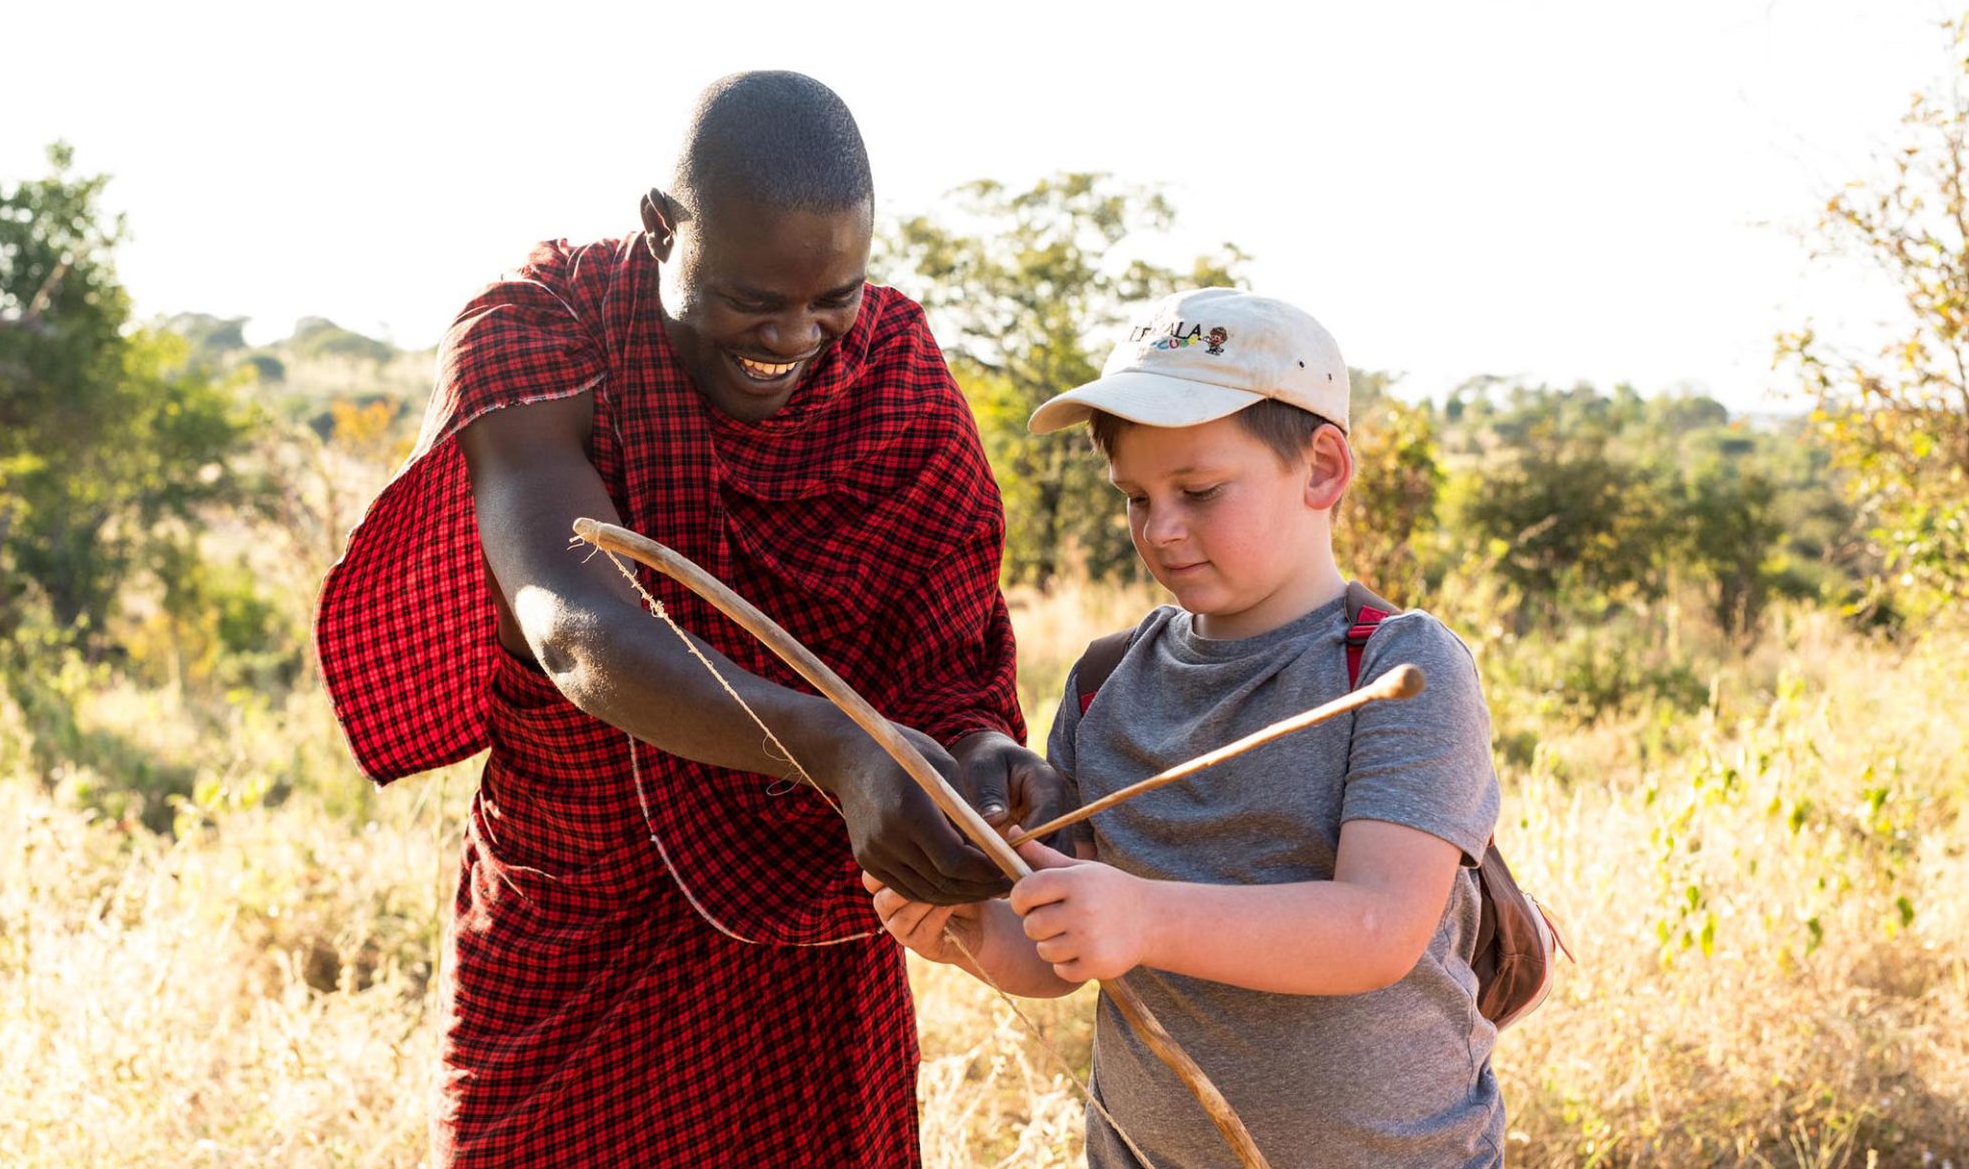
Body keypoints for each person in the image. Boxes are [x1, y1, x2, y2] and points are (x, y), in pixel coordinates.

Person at [313, 70, 1072, 1167]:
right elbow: (571, 621)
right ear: (660, 227)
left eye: (834, 297)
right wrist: (840, 750)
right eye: (753, 299)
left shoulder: (893, 368)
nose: (796, 335)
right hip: (576, 919)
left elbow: (943, 645)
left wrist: (978, 755)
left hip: (812, 953)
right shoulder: (542, 328)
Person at [868, 288, 1506, 1167]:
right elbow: (1062, 948)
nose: (1160, 529)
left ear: (1322, 469)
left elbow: (1378, 927)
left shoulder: (1396, 667)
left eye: (1199, 491)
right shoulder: (1105, 681)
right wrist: (967, 927)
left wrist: (1143, 916)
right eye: (1136, 496)